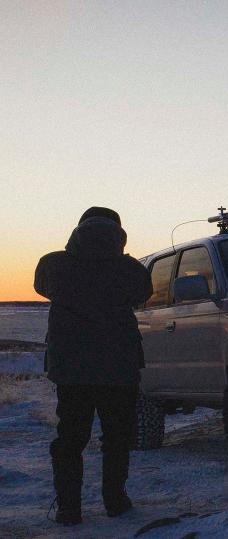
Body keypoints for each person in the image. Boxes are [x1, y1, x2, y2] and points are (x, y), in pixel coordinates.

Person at [34, 207, 153, 525]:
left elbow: (42, 288)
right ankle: (116, 501)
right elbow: (143, 295)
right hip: (119, 369)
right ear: (118, 233)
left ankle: (69, 508)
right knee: (117, 438)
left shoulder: (52, 263)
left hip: (71, 371)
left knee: (70, 439)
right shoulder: (130, 268)